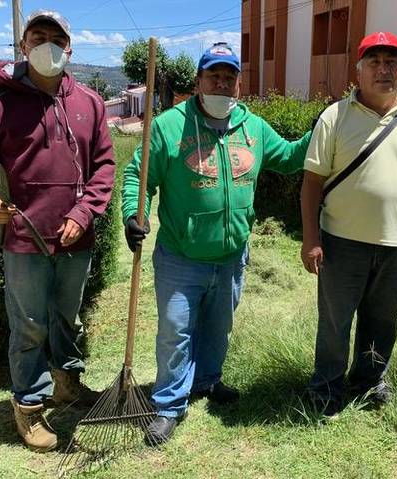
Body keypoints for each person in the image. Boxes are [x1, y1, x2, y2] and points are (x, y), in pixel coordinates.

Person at [122, 42, 312, 445]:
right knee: (176, 331)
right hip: (181, 256)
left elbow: (292, 157)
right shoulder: (169, 126)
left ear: (239, 86)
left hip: (231, 256)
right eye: (214, 75)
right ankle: (169, 404)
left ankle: (207, 381)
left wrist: (326, 128)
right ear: (198, 81)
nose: (222, 83)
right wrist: (132, 215)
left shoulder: (253, 128)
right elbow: (138, 177)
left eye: (229, 77)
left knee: (218, 328)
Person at [0, 10, 115, 452]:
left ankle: (67, 385)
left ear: (69, 47)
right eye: (38, 36)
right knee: (28, 325)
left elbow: (104, 166)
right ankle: (28, 407)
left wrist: (83, 214)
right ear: (23, 46)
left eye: (56, 37)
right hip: (25, 237)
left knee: (68, 318)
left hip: (75, 238)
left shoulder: (90, 102)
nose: (48, 44)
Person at [300, 31, 397, 416]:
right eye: (374, 62)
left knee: (382, 320)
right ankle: (326, 386)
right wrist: (310, 239)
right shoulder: (335, 116)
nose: (384, 70)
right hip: (341, 242)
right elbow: (312, 182)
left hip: (396, 244)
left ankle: (368, 381)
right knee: (335, 320)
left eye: (391, 63)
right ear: (359, 71)